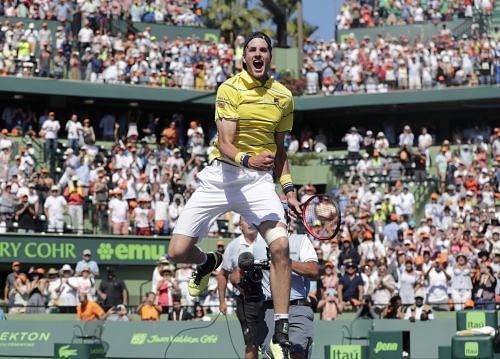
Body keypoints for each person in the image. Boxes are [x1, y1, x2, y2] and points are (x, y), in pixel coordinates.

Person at [167, 31, 300, 355]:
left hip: (258, 183)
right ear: (244, 58)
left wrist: (289, 191)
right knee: (177, 252)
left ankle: (281, 331)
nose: (258, 54)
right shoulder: (229, 88)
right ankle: (207, 260)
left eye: (263, 50)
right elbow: (226, 144)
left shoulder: (283, 97)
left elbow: (280, 152)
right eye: (252, 50)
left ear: (270, 57)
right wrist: (248, 158)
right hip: (222, 176)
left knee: (281, 246)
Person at [258, 233, 318, 359]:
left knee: (298, 351)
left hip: (297, 306)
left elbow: (313, 270)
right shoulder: (256, 242)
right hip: (269, 308)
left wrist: (285, 261)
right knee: (273, 354)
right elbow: (236, 277)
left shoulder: (300, 240)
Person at [218, 217, 267, 359]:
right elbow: (222, 274)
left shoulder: (266, 242)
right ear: (240, 225)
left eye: (251, 220)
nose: (250, 223)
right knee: (251, 342)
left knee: (270, 339)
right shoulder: (233, 246)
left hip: (267, 297)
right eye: (246, 220)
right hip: (244, 299)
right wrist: (222, 301)